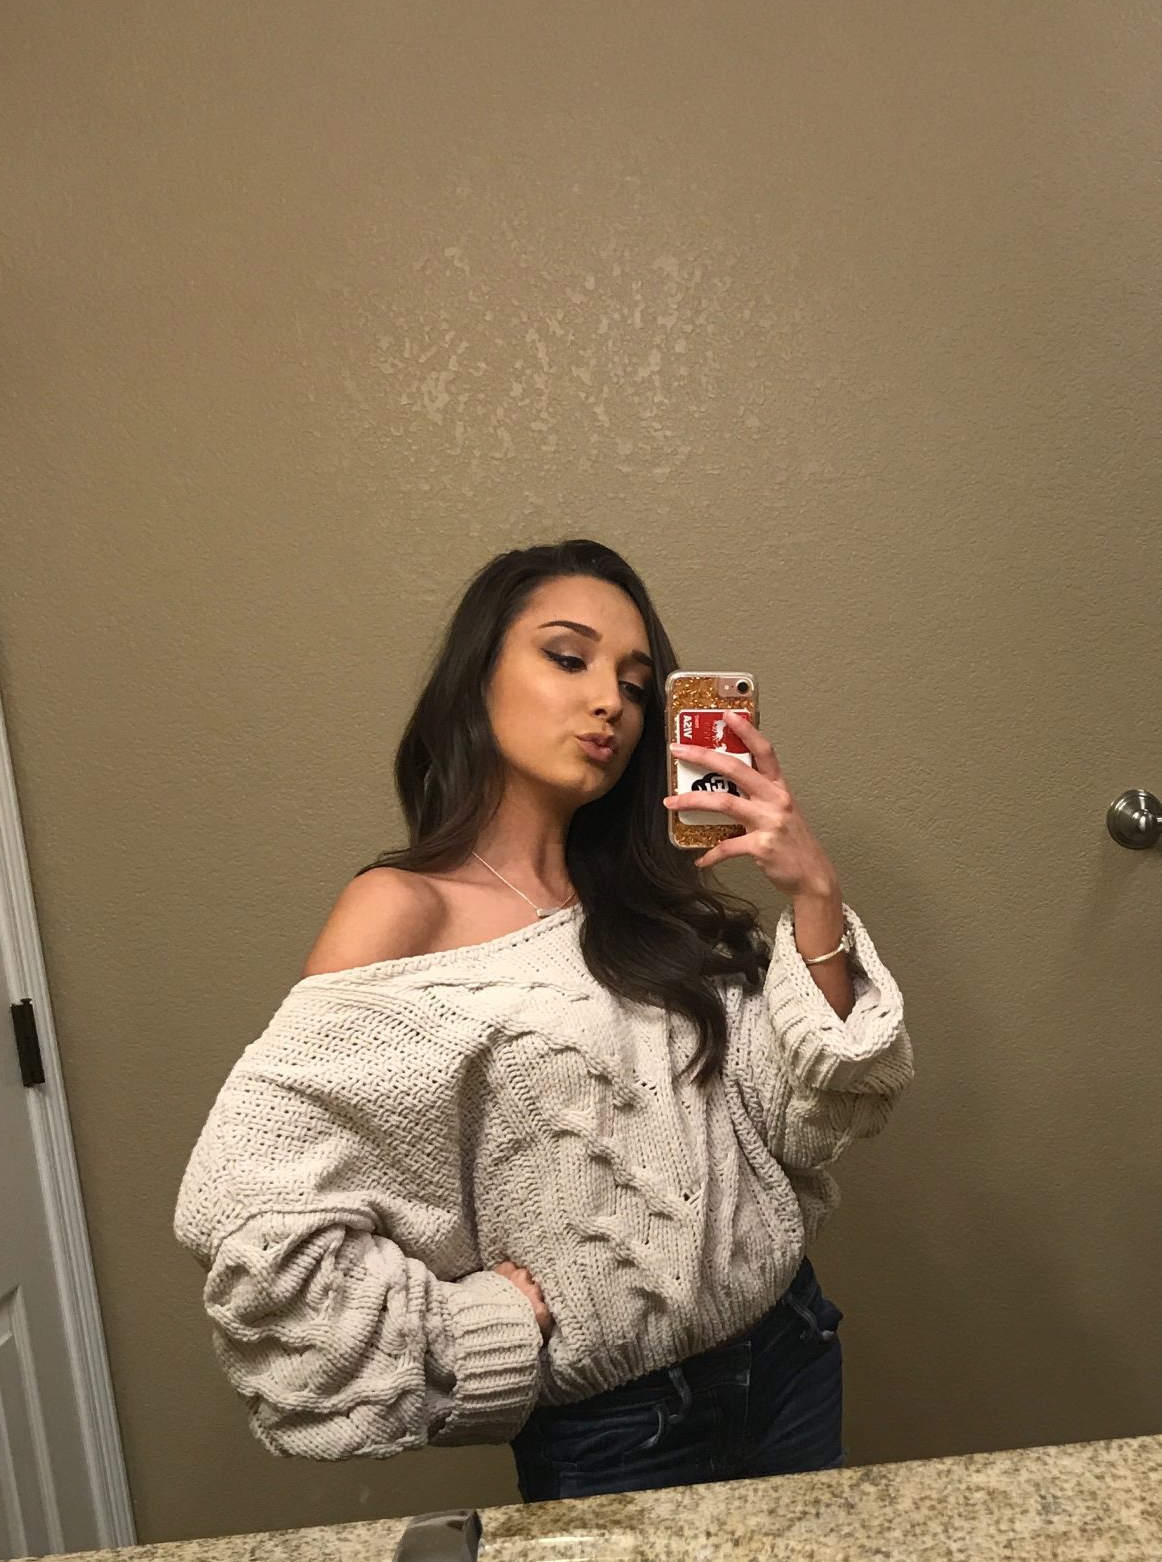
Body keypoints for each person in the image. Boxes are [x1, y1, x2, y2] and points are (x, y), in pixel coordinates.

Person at [173, 537, 912, 1501]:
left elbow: (801, 1132)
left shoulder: (655, 906)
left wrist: (813, 895)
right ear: (477, 677)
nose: (610, 701)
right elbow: (255, 1226)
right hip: (620, 1437)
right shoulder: (402, 911)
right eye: (568, 658)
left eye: (636, 685)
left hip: (792, 1356)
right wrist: (488, 1327)